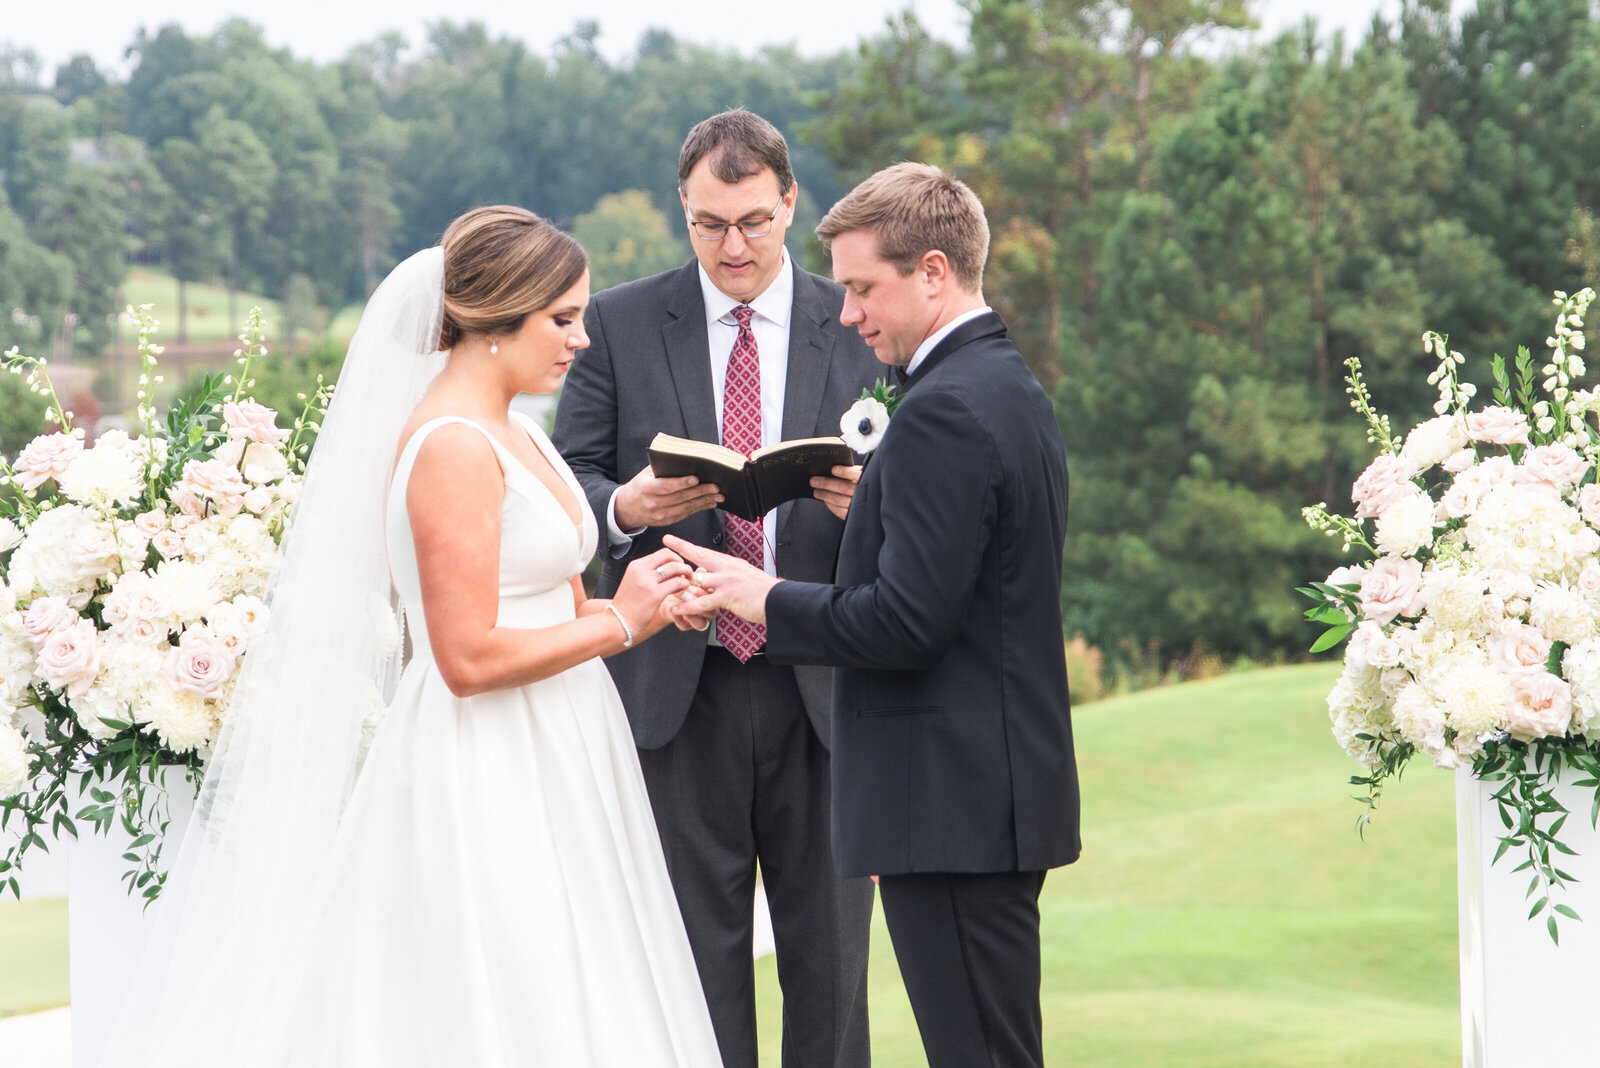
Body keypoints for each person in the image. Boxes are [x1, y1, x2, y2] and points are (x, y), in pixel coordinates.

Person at [97, 207, 722, 1067]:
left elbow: (565, 608)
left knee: (590, 976)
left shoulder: (523, 432)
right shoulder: (453, 448)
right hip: (488, 757)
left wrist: (654, 600)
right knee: (505, 983)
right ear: (497, 318)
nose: (580, 340)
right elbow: (463, 660)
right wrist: (624, 620)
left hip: (573, 740)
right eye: (562, 318)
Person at [665, 163, 1080, 1068]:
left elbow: (903, 622)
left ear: (934, 271)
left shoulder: (945, 411)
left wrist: (759, 597)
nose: (849, 314)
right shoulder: (1002, 385)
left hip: (955, 806)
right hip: (980, 797)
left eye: (862, 288)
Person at [551, 110, 879, 1067]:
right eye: (707, 224)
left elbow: (921, 486)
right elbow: (565, 473)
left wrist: (874, 505)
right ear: (681, 212)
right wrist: (627, 506)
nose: (731, 247)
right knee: (689, 971)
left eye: (752, 222)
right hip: (673, 692)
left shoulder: (855, 319)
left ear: (788, 204)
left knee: (832, 973)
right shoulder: (614, 322)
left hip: (824, 679)